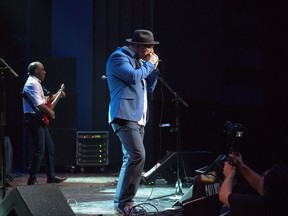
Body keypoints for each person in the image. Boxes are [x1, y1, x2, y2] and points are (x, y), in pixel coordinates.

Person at [106, 29, 160, 215]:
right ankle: (124, 203)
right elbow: (133, 76)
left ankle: (123, 203)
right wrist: (149, 65)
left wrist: (154, 68)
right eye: (148, 47)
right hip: (123, 116)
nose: (151, 50)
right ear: (137, 46)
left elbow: (149, 87)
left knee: (131, 157)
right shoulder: (118, 58)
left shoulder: (140, 62)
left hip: (138, 118)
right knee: (138, 155)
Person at [23, 61, 67, 185]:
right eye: (42, 69)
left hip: (37, 119)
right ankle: (32, 179)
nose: (45, 71)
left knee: (49, 147)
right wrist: (50, 112)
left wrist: (58, 95)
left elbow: (44, 99)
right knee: (40, 149)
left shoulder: (36, 83)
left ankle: (51, 177)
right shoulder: (32, 83)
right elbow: (39, 104)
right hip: (33, 119)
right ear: (36, 71)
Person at [219, 152, 288, 215]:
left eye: (264, 177)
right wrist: (241, 165)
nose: (262, 178)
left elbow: (223, 195)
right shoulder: (279, 197)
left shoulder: (258, 205)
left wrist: (230, 175)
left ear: (266, 190)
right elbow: (259, 184)